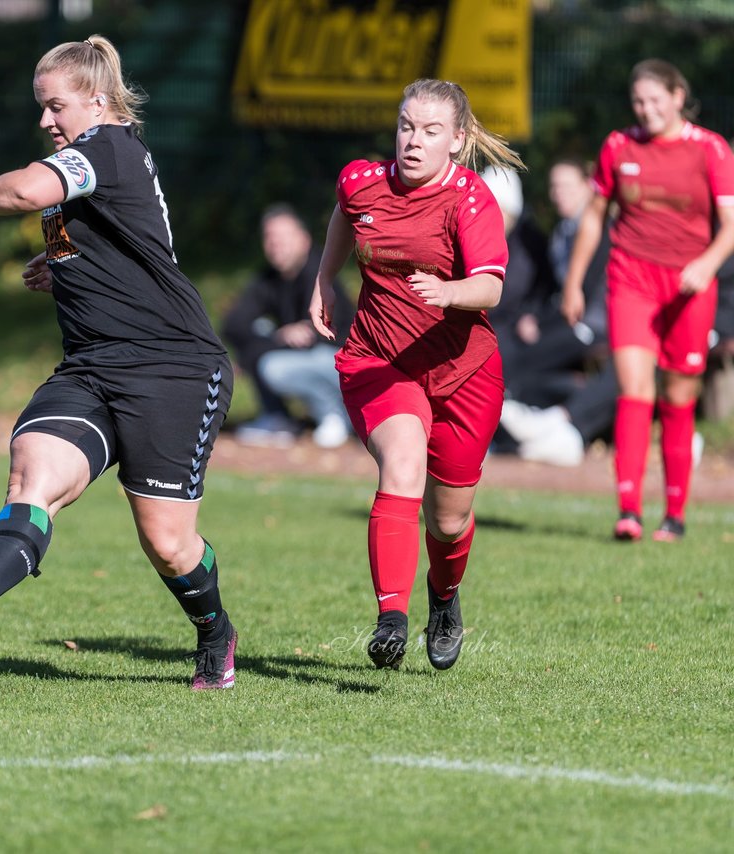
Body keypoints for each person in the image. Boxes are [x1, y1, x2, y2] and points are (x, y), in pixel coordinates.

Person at [0, 35, 238, 690]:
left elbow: (27, 192)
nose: (45, 121)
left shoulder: (108, 147)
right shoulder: (95, 155)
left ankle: (215, 631)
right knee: (31, 477)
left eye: (55, 106)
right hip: (91, 369)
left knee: (169, 545)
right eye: (41, 108)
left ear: (97, 100)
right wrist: (59, 265)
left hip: (171, 370)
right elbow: (101, 231)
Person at [309, 78, 523, 671]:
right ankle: (391, 618)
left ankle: (445, 597)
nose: (414, 140)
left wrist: (450, 290)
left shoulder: (470, 199)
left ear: (456, 140)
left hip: (463, 372)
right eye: (407, 126)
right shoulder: (362, 180)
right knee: (401, 462)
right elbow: (345, 216)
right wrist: (326, 279)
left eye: (431, 131)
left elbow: (492, 287)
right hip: (379, 358)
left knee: (449, 520)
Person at [560, 59, 734, 543]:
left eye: (656, 99)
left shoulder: (711, 149)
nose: (647, 109)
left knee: (679, 396)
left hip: (690, 288)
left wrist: (706, 263)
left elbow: (731, 225)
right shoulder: (619, 145)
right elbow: (595, 217)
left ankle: (674, 514)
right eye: (639, 100)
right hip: (631, 280)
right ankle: (629, 510)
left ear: (679, 96)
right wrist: (573, 282)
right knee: (635, 389)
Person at [497, 158, 618, 467]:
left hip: (593, 323)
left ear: (586, 187)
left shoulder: (596, 229)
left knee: (520, 352)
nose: (557, 193)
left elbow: (583, 294)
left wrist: (542, 320)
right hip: (568, 319)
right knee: (511, 347)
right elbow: (552, 287)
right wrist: (534, 316)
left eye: (566, 185)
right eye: (554, 186)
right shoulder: (563, 231)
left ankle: (535, 421)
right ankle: (518, 418)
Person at [222, 204, 355, 448]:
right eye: (269, 238)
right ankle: (277, 418)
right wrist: (275, 337)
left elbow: (318, 334)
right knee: (259, 337)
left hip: (343, 359)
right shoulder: (269, 279)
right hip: (305, 355)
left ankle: (335, 416)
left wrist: (266, 345)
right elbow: (234, 324)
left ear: (303, 240)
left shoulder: (322, 272)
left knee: (272, 365)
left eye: (283, 237)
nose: (275, 244)